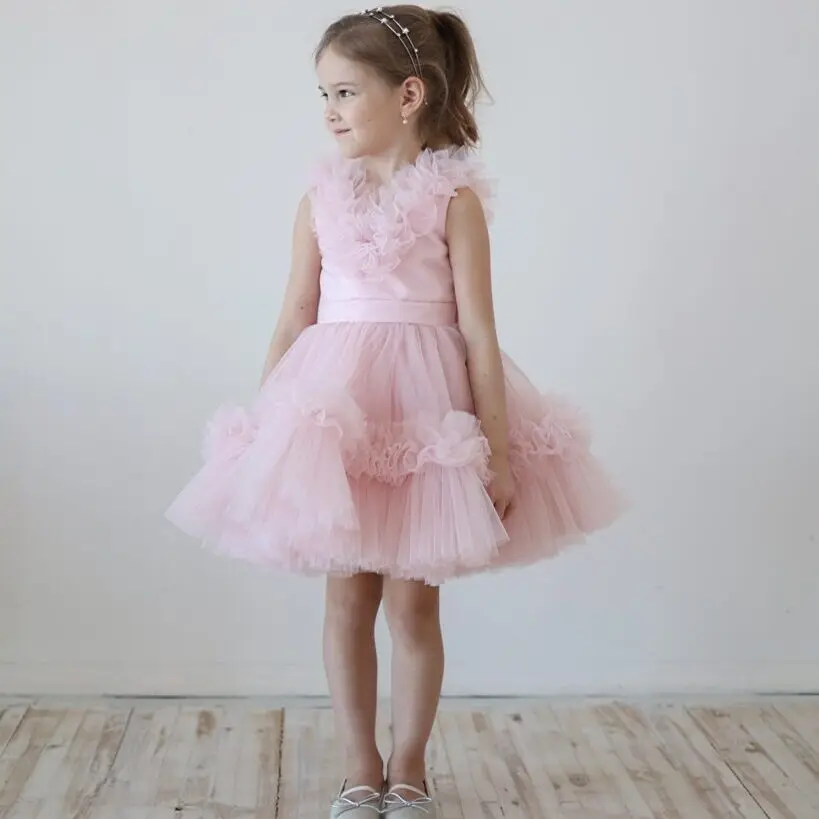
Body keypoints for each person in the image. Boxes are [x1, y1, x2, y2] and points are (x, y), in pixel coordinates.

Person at [166, 5, 625, 816]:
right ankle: (357, 765)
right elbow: (293, 316)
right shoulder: (317, 202)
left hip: (426, 418)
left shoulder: (454, 203)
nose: (329, 111)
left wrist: (498, 450)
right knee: (348, 595)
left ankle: (407, 766)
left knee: (413, 598)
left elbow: (478, 333)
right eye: (322, 95)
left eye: (345, 91)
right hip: (337, 412)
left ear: (407, 94)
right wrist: (265, 429)